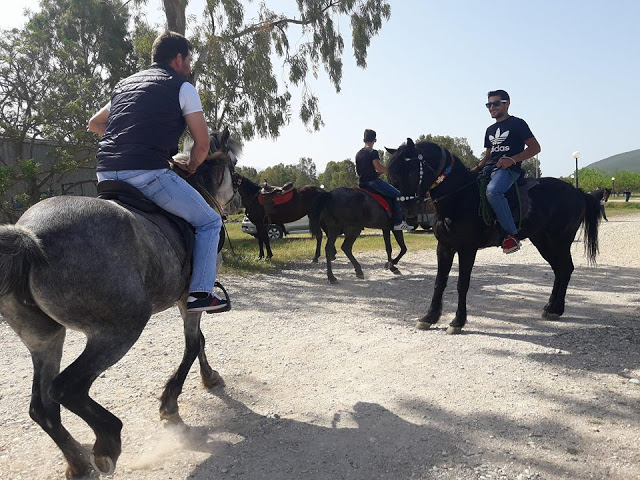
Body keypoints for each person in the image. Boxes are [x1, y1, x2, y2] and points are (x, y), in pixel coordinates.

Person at [88, 31, 228, 313]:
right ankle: (201, 292)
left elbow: (94, 123)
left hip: (105, 175)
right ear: (178, 59)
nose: (189, 66)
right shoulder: (182, 87)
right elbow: (202, 144)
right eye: (188, 59)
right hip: (147, 175)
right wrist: (191, 165)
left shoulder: (124, 85)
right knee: (210, 222)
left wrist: (127, 142)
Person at [471, 90, 541, 254]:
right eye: (489, 104)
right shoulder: (489, 130)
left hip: (509, 170)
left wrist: (511, 160)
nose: (492, 107)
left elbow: (535, 148)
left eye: (496, 103)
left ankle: (511, 236)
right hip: (489, 168)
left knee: (493, 191)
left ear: (506, 103)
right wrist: (474, 170)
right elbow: (488, 157)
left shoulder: (517, 124)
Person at [355, 129, 414, 231]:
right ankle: (398, 222)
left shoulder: (358, 153)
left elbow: (365, 171)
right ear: (375, 140)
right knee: (397, 195)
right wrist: (391, 171)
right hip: (373, 182)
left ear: (363, 139)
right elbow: (378, 168)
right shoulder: (373, 152)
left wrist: (378, 172)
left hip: (362, 183)